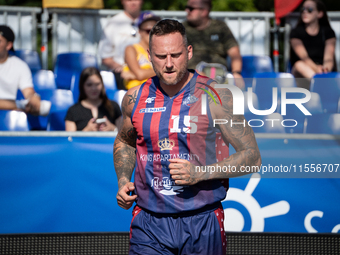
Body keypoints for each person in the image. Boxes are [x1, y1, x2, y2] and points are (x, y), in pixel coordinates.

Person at [113, 19, 261, 254]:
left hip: (202, 220)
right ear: (150, 55)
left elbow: (252, 156)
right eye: (161, 56)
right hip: (149, 223)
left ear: (189, 52)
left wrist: (199, 173)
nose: (169, 64)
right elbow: (125, 141)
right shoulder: (134, 98)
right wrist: (123, 180)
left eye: (176, 55)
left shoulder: (216, 96)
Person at [183, 0, 245, 90]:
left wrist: (236, 73)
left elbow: (234, 52)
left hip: (218, 76)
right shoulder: (182, 29)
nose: (187, 11)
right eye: (187, 7)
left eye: (191, 8)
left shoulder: (220, 27)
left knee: (251, 98)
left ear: (204, 11)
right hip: (191, 78)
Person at [0, 25, 50, 116]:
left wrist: (33, 99)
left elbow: (28, 92)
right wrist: (18, 105)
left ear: (8, 45)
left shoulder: (20, 66)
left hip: (10, 117)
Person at [98, 0, 143, 90]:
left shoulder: (149, 21)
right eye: (129, 0)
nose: (133, 3)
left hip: (146, 73)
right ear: (123, 1)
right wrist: (122, 68)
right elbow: (105, 58)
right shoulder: (113, 23)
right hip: (121, 76)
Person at [290, 0, 336, 87]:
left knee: (328, 69)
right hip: (301, 75)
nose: (305, 12)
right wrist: (316, 69)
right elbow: (304, 58)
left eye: (310, 9)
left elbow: (329, 58)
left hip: (322, 72)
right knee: (299, 65)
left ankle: (320, 84)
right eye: (303, 9)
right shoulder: (295, 32)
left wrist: (325, 69)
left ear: (320, 14)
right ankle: (321, 85)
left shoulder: (328, 32)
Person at [65, 67, 122, 131]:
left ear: (102, 85)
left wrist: (113, 128)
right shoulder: (73, 111)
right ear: (82, 86)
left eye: (97, 84)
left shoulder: (113, 106)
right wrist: (87, 130)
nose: (94, 89)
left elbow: (124, 135)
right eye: (89, 85)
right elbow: (70, 139)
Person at [121, 11, 160, 90]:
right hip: (136, 94)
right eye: (149, 31)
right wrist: (161, 72)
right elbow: (140, 74)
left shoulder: (160, 51)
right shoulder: (131, 49)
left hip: (156, 93)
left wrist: (135, 74)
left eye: (156, 31)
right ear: (139, 31)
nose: (153, 34)